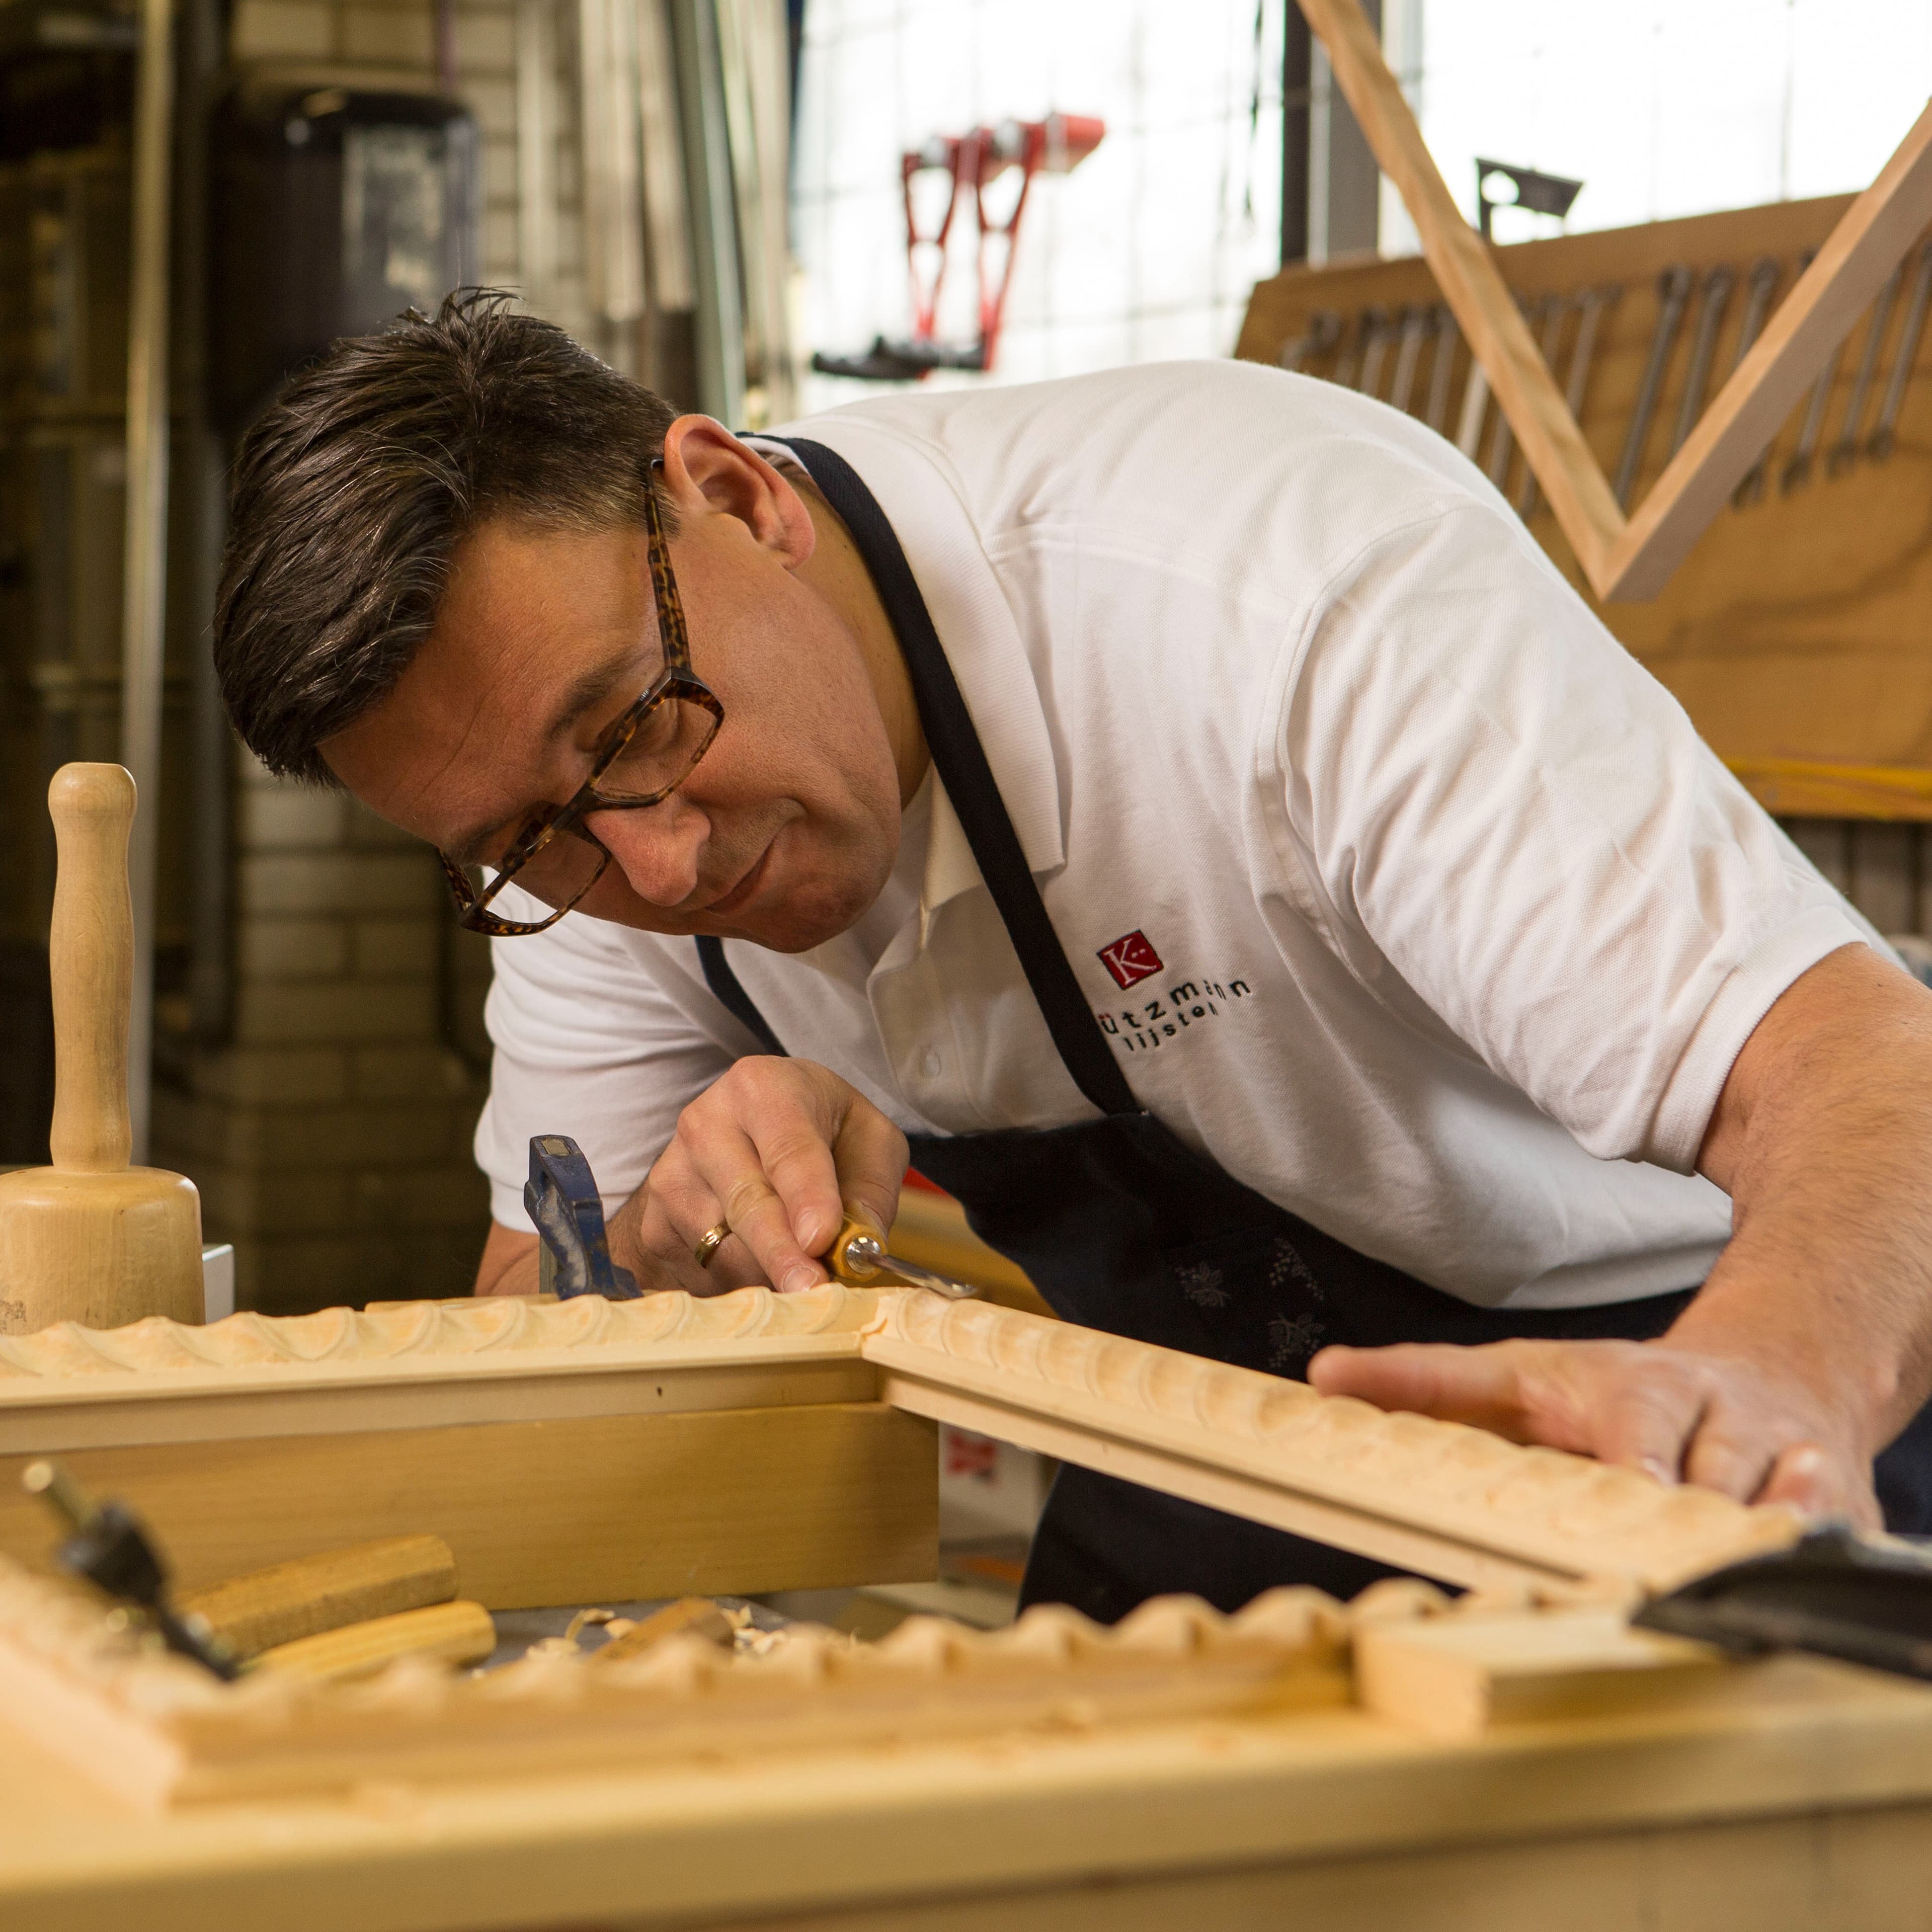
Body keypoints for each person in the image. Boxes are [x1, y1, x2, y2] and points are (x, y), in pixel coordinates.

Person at [212, 292, 1932, 1620]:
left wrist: (1766, 1375)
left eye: (637, 728)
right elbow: (533, 1309)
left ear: (735, 494)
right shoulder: (567, 812)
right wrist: (665, 1256)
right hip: (1205, 1438)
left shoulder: (1274, 601)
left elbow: (1875, 1075)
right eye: (525, 840)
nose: (655, 858)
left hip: (1664, 1372)